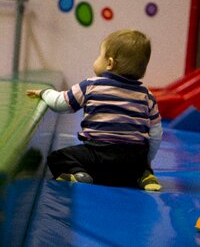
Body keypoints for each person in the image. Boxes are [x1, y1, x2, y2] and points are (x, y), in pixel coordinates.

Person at [27, 29, 163, 191]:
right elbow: (156, 134)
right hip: (131, 162)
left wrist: (45, 92)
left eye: (100, 55)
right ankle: (145, 175)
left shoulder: (91, 85)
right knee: (138, 165)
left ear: (110, 63)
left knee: (57, 157)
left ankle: (77, 173)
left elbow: (60, 103)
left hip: (98, 157)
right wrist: (146, 160)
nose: (97, 59)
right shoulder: (147, 95)